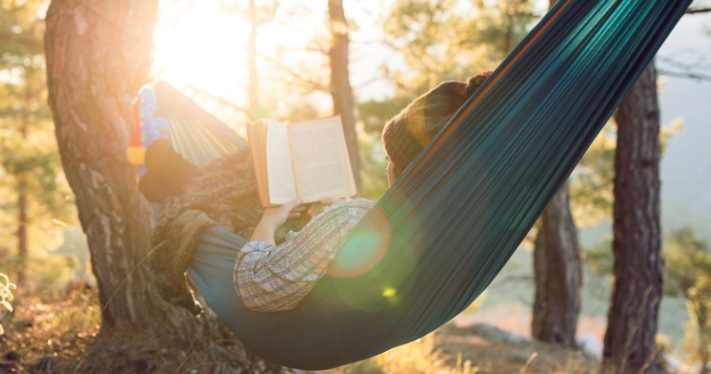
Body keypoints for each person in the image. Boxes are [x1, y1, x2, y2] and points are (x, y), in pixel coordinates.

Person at [140, 72, 489, 313]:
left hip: (277, 319)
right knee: (189, 186)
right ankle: (154, 162)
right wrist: (319, 226)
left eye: (389, 155)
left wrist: (271, 220)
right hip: (332, 314)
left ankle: (152, 144)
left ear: (400, 168)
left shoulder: (354, 219)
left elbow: (254, 286)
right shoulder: (460, 240)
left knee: (225, 186)